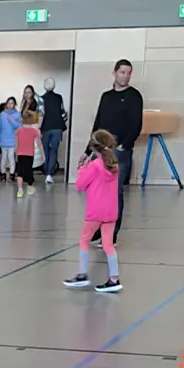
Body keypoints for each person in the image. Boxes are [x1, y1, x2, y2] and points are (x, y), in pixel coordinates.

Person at [89, 59, 144, 245]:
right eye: (122, 72)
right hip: (101, 152)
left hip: (120, 152)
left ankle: (112, 232)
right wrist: (89, 149)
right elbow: (98, 124)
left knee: (115, 192)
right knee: (100, 192)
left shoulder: (134, 96)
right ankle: (99, 229)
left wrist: (124, 144)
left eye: (128, 73)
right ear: (114, 73)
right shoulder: (106, 97)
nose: (125, 76)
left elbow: (136, 124)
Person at [65, 130, 123, 293]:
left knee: (84, 240)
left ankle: (82, 275)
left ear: (94, 147)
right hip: (111, 211)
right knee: (108, 245)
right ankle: (114, 278)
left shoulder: (95, 166)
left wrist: (82, 169)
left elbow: (79, 185)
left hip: (95, 211)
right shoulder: (114, 164)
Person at [40, 77, 67, 184]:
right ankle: (49, 175)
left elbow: (40, 115)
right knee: (54, 151)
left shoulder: (41, 99)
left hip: (45, 128)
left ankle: (47, 172)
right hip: (57, 127)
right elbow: (62, 112)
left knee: (45, 151)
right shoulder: (59, 97)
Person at [0, 98, 21, 182]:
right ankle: (3, 174)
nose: (10, 105)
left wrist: (11, 120)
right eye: (8, 103)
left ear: (14, 104)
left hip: (12, 141)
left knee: (12, 158)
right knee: (3, 159)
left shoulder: (17, 114)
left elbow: (19, 126)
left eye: (12, 103)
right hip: (3, 140)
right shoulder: (2, 114)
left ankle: (12, 175)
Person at [15, 116, 41, 198]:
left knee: (20, 173)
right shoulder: (35, 131)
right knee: (29, 170)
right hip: (29, 154)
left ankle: (20, 190)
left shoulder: (18, 131)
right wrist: (43, 156)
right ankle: (30, 187)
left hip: (20, 154)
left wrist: (16, 154)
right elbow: (39, 144)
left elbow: (16, 144)